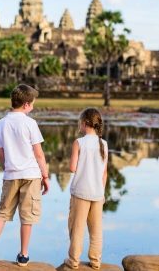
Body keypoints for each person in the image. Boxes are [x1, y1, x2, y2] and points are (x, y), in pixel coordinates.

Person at [0, 84, 50, 267]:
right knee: (27, 216)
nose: (33, 107)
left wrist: (7, 168)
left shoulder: (1, 123)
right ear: (26, 104)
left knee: (2, 212)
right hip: (31, 175)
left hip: (11, 175)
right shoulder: (30, 123)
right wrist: (46, 176)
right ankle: (23, 254)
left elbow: (1, 152)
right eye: (32, 103)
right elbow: (39, 154)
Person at [65, 108, 108, 270]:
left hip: (80, 192)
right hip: (97, 193)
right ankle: (95, 261)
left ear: (84, 124)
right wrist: (101, 192)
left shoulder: (79, 142)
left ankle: (73, 260)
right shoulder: (103, 144)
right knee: (96, 231)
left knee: (77, 228)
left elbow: (72, 167)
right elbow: (104, 172)